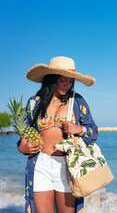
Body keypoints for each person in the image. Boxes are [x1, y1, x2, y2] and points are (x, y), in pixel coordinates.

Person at [17, 56, 98, 213]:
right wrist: (22, 147)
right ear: (52, 80)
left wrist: (78, 129)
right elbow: (23, 134)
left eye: (70, 81)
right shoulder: (34, 102)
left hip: (67, 166)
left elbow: (93, 131)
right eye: (63, 80)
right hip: (40, 163)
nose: (67, 85)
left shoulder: (77, 101)